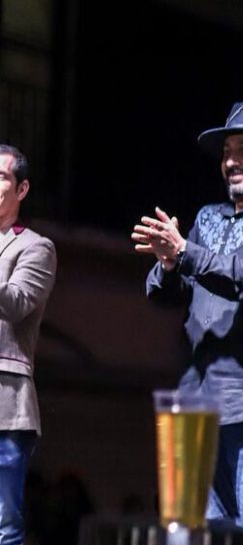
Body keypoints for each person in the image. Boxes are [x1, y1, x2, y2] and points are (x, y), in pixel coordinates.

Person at [134, 101, 243, 530]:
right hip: (193, 399)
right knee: (190, 530)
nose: (231, 161)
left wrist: (187, 254)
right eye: (227, 151)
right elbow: (167, 293)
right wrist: (170, 265)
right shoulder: (207, 217)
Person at [0, 144, 57, 545]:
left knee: (4, 524)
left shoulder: (34, 246)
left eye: (1, 176)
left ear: (21, 190)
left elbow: (18, 303)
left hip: (5, 404)